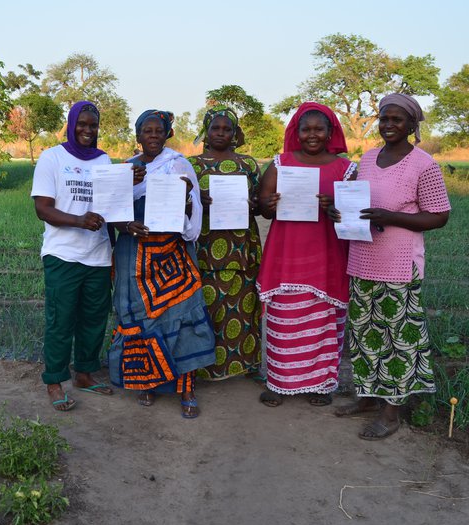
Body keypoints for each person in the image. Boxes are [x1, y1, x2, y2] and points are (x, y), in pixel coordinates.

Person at [330, 94, 450, 440]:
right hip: (362, 258)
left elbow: (439, 215)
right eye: (384, 119)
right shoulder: (367, 160)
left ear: (413, 125)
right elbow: (355, 202)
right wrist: (340, 213)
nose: (388, 125)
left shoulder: (423, 164)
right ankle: (367, 397)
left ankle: (392, 411)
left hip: (399, 264)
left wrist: (390, 217)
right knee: (364, 333)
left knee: (399, 339)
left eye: (397, 120)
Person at [107, 109, 216, 419]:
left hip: (172, 253)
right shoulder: (127, 168)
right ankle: (147, 382)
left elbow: (192, 211)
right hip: (134, 254)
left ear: (168, 134)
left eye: (159, 131)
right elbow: (110, 211)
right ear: (138, 135)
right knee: (138, 317)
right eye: (147, 131)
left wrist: (184, 197)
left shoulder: (179, 164)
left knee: (179, 314)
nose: (153, 135)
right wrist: (128, 224)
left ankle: (187, 388)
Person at [32, 100, 139, 412]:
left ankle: (84, 373)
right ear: (71, 123)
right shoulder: (52, 158)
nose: (87, 130)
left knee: (93, 319)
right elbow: (43, 209)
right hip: (63, 254)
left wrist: (129, 203)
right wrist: (80, 220)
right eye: (82, 124)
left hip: (98, 255)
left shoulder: (103, 161)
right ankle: (54, 380)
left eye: (93, 125)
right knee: (60, 319)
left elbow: (112, 206)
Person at [257, 102, 355, 407]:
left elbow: (353, 216)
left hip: (326, 255)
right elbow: (261, 206)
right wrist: (269, 204)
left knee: (323, 320)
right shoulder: (280, 163)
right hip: (287, 254)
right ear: (296, 132)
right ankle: (278, 382)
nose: (312, 134)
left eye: (319, 129)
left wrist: (334, 208)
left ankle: (320, 384)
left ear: (330, 133)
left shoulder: (345, 168)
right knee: (284, 319)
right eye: (306, 129)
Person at [188, 105, 263, 380]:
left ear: (235, 133)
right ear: (206, 131)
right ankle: (203, 368)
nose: (221, 133)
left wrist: (254, 204)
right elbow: (180, 204)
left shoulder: (248, 164)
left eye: (226, 129)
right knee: (208, 307)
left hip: (241, 247)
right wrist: (197, 203)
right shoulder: (192, 165)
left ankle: (246, 365)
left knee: (243, 305)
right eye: (215, 128)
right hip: (205, 247)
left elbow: (259, 203)